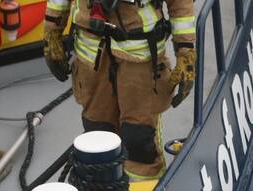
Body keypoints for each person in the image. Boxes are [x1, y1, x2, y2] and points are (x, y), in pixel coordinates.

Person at [42, 0, 195, 180]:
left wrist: (186, 52)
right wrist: (52, 31)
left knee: (138, 136)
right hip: (91, 54)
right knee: (97, 131)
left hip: (139, 56)